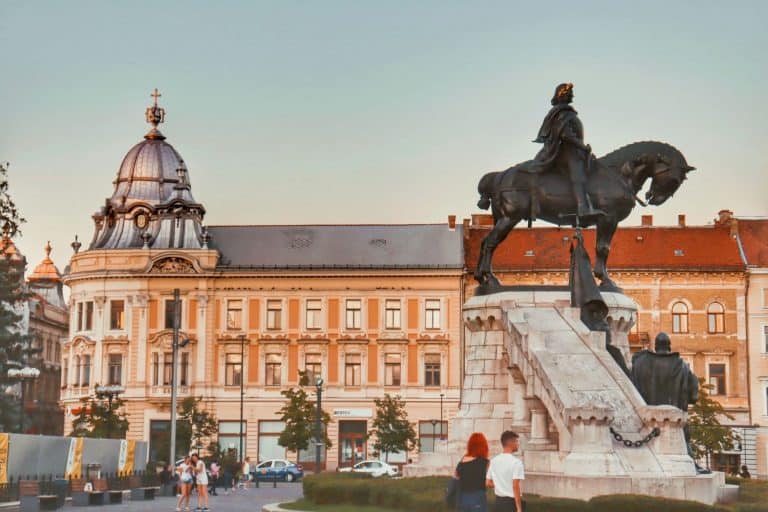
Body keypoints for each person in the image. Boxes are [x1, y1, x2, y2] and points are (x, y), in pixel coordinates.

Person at [532, 82, 600, 219]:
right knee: (578, 174)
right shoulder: (562, 113)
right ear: (563, 95)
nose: (572, 96)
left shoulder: (563, 112)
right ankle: (583, 208)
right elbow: (565, 134)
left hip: (570, 150)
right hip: (565, 151)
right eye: (570, 94)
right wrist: (582, 146)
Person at [486, 431, 525, 512]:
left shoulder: (493, 461)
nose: (518, 444)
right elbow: (515, 486)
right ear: (511, 443)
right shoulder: (516, 462)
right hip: (511, 504)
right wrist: (519, 508)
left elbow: (488, 483)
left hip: (498, 503)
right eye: (516, 441)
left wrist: (500, 484)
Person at [454, 433, 490, 512]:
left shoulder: (462, 462)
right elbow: (488, 483)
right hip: (478, 498)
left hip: (463, 498)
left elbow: (456, 478)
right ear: (483, 446)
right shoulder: (485, 463)